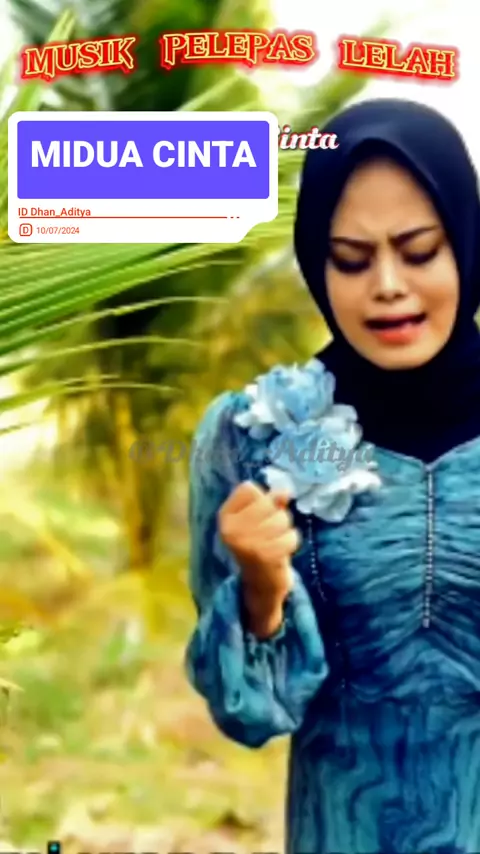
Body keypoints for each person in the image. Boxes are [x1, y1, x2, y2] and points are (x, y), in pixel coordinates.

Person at [184, 97, 480, 854]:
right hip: (344, 828)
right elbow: (246, 714)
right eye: (350, 259)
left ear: (467, 245)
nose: (387, 284)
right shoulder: (255, 435)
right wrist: (259, 587)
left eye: (419, 251)